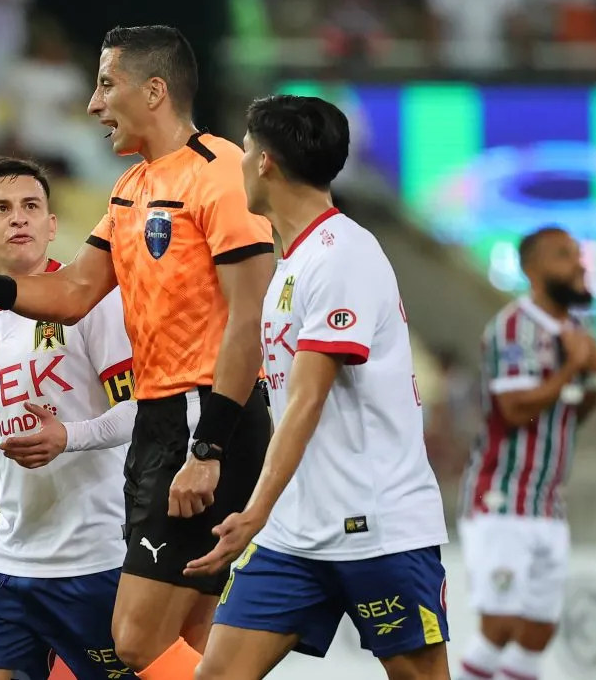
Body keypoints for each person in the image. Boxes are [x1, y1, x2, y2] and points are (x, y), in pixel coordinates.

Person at [0, 25, 275, 680]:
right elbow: (74, 290)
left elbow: (250, 316)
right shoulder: (131, 189)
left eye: (107, 84)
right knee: (188, 638)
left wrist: (209, 446)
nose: (93, 103)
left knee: (136, 640)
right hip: (162, 423)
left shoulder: (220, 171)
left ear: (154, 91)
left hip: (203, 416)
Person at [185, 94, 451, 680]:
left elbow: (307, 398)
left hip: (376, 527)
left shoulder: (342, 257)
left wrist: (253, 511)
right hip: (295, 532)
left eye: (246, 149)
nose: (241, 162)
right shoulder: (295, 263)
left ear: (265, 162)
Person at [0, 157, 137, 680]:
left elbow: (143, 410)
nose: (18, 218)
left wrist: (69, 437)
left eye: (31, 206)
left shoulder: (92, 302)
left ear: (51, 225)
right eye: (1, 208)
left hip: (94, 561)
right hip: (6, 564)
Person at [455, 226, 596, 680]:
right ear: (531, 269)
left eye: (577, 254)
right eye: (563, 255)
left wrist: (593, 379)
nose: (578, 265)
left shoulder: (575, 330)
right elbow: (516, 410)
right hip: (502, 498)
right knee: (499, 627)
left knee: (539, 631)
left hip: (547, 503)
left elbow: (572, 413)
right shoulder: (515, 327)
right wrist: (573, 367)